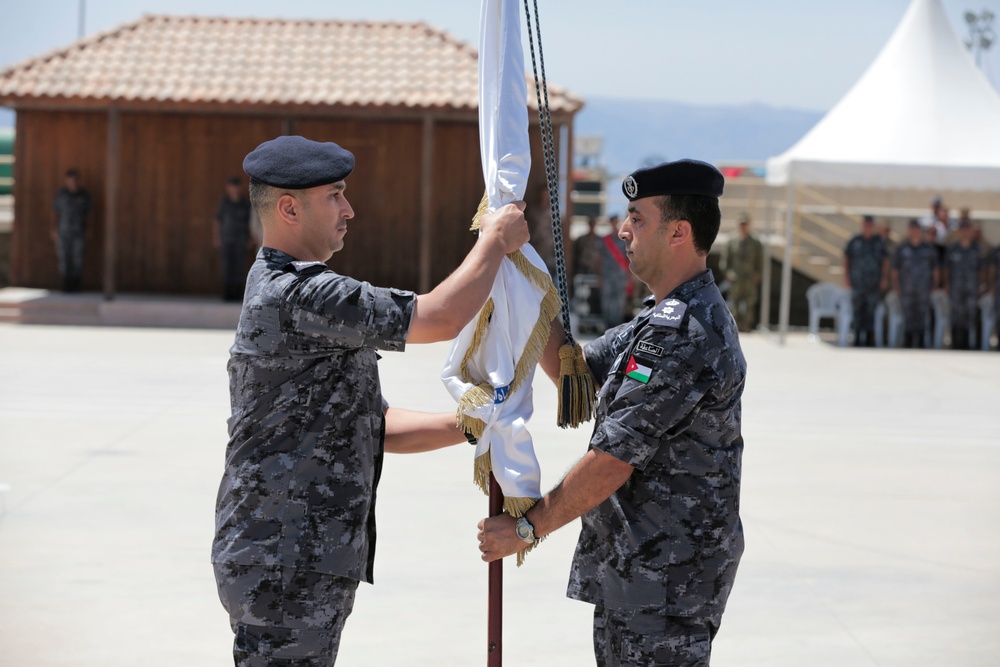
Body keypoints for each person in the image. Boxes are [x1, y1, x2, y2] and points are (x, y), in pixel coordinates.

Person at [211, 135, 529, 666]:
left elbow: (372, 425)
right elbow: (439, 317)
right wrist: (494, 240)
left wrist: (471, 424)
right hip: (286, 559)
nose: (349, 209)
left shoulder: (294, 291)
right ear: (289, 208)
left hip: (294, 557)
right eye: (335, 195)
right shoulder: (299, 293)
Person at [479, 159, 745, 666]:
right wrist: (517, 272)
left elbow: (612, 460)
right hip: (644, 571)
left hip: (667, 577)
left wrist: (527, 527)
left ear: (678, 232)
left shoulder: (686, 333)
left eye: (637, 218)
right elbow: (576, 372)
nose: (623, 230)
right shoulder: (661, 318)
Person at [843, 215, 889, 347]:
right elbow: (846, 259)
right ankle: (857, 338)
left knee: (871, 311)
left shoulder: (879, 242)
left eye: (870, 225)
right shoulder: (854, 241)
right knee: (857, 310)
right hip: (858, 283)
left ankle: (869, 338)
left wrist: (884, 278)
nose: (867, 228)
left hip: (873, 284)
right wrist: (846, 277)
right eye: (865, 225)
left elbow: (885, 261)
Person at [893, 219, 939, 348]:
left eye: (917, 229)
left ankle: (921, 342)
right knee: (907, 316)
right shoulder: (902, 249)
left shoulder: (928, 249)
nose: (914, 232)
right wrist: (896, 286)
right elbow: (895, 269)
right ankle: (907, 341)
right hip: (906, 289)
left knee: (922, 316)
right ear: (909, 231)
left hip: (923, 289)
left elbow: (935, 269)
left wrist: (934, 285)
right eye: (912, 229)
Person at [942, 219, 983, 350]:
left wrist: (981, 285)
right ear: (959, 232)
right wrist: (946, 284)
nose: (965, 232)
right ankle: (955, 343)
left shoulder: (976, 249)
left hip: (971, 288)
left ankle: (968, 344)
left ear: (971, 232)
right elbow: (946, 269)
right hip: (956, 288)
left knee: (970, 315)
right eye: (962, 229)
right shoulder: (952, 249)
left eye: (967, 229)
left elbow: (981, 270)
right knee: (955, 315)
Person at [214, 175, 255, 301]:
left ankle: (238, 294)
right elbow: (217, 221)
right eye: (232, 187)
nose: (234, 190)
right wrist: (216, 238)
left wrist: (251, 238)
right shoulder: (224, 203)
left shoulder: (245, 204)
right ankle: (227, 294)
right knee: (227, 266)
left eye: (236, 187)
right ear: (228, 188)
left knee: (239, 267)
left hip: (241, 239)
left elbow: (252, 222)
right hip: (227, 238)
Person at [721, 211, 764, 332]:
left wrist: (758, 274)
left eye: (745, 223)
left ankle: (747, 325)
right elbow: (725, 259)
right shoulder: (731, 240)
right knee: (733, 302)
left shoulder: (755, 242)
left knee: (749, 302)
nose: (743, 226)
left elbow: (760, 260)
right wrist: (727, 273)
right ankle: (735, 326)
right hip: (736, 277)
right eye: (741, 224)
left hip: (749, 277)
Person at [50, 168, 91, 292]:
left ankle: (76, 284)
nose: (73, 182)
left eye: (75, 180)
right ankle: (66, 284)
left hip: (79, 231)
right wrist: (53, 229)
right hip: (64, 231)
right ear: (66, 180)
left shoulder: (84, 195)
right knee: (64, 258)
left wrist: (89, 229)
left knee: (78, 258)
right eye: (70, 180)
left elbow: (89, 214)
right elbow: (55, 212)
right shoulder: (61, 194)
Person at [598, 214, 633, 327]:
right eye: (613, 222)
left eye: (617, 222)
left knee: (619, 301)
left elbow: (628, 259)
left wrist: (630, 276)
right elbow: (599, 259)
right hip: (607, 274)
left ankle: (617, 326)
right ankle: (606, 324)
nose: (615, 225)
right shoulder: (605, 240)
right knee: (606, 300)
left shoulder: (624, 240)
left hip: (620, 275)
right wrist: (600, 276)